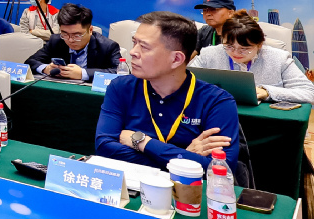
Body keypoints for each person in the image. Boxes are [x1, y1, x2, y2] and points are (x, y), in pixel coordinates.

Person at [94, 11, 239, 171]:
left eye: (144, 47)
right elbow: (104, 147)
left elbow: (220, 167)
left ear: (176, 59)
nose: (133, 52)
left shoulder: (217, 101)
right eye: (134, 42)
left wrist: (142, 142)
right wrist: (184, 158)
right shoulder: (121, 87)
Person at [189, 11, 314, 103]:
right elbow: (184, 83)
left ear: (259, 45)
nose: (236, 53)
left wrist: (268, 92)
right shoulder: (209, 54)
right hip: (218, 116)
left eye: (244, 49)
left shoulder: (279, 58)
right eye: (229, 46)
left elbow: (311, 94)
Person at [27, 4, 122, 80]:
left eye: (77, 35)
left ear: (90, 30)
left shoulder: (108, 46)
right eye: (65, 34)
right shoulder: (56, 41)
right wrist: (46, 68)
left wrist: (82, 73)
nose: (70, 40)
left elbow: (120, 73)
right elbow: (30, 62)